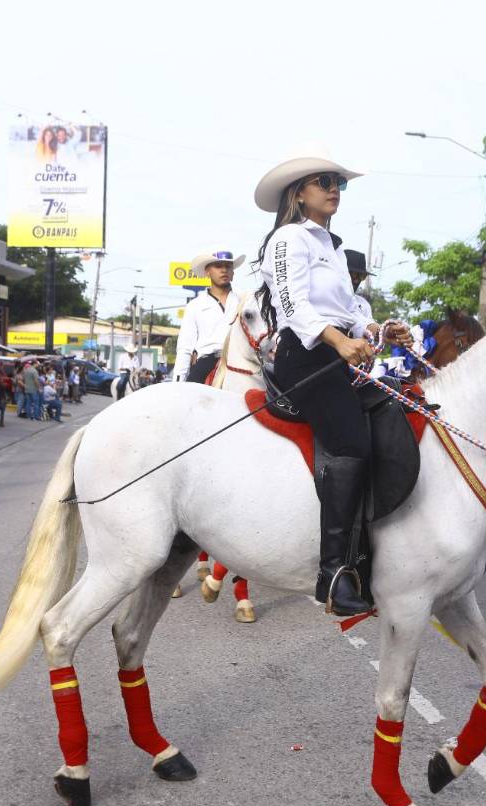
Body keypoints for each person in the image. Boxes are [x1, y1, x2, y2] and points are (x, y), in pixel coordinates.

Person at [253, 149, 410, 615]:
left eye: (338, 183)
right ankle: (333, 573)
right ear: (299, 193)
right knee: (352, 443)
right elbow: (292, 303)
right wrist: (338, 341)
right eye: (324, 182)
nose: (334, 189)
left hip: (335, 353)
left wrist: (378, 330)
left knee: (393, 417)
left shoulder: (334, 247)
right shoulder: (288, 238)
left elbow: (349, 312)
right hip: (304, 355)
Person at [173, 251, 243, 383]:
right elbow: (185, 347)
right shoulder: (195, 305)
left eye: (228, 266)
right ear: (207, 272)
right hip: (207, 362)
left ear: (233, 273)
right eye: (218, 266)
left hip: (239, 361)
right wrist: (178, 382)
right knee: (192, 393)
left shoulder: (243, 301)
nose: (224, 270)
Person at [345, 249, 376, 324]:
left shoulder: (363, 304)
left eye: (361, 276)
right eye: (353, 275)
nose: (356, 281)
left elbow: (370, 327)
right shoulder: (326, 299)